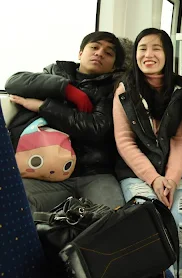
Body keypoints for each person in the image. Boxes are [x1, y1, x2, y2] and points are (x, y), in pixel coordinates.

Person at [112, 28, 182, 278]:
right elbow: (125, 142)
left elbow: (180, 139)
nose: (148, 55)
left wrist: (170, 179)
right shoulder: (125, 90)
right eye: (142, 48)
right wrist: (154, 179)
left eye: (156, 48)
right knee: (151, 224)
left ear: (168, 53)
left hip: (175, 171)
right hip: (137, 173)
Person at [5, 31, 126, 211]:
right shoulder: (55, 72)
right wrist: (68, 90)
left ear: (113, 67)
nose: (99, 53)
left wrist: (42, 107)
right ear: (80, 53)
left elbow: (96, 127)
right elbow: (14, 82)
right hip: (46, 171)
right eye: (94, 47)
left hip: (94, 174)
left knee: (113, 218)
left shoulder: (114, 89)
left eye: (108, 53)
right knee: (12, 201)